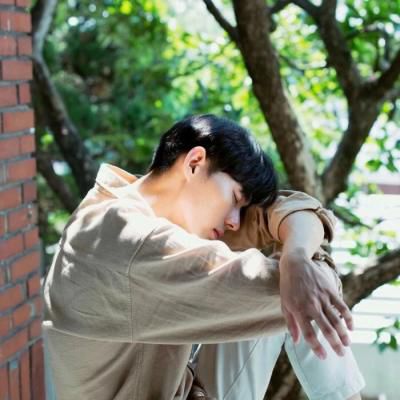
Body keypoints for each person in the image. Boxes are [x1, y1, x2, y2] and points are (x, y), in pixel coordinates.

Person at [43, 114, 364, 400]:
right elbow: (307, 289)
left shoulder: (115, 210)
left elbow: (292, 210)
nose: (234, 222)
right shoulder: (133, 241)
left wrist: (296, 256)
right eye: (235, 199)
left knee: (295, 269)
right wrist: (301, 267)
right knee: (300, 289)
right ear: (195, 162)